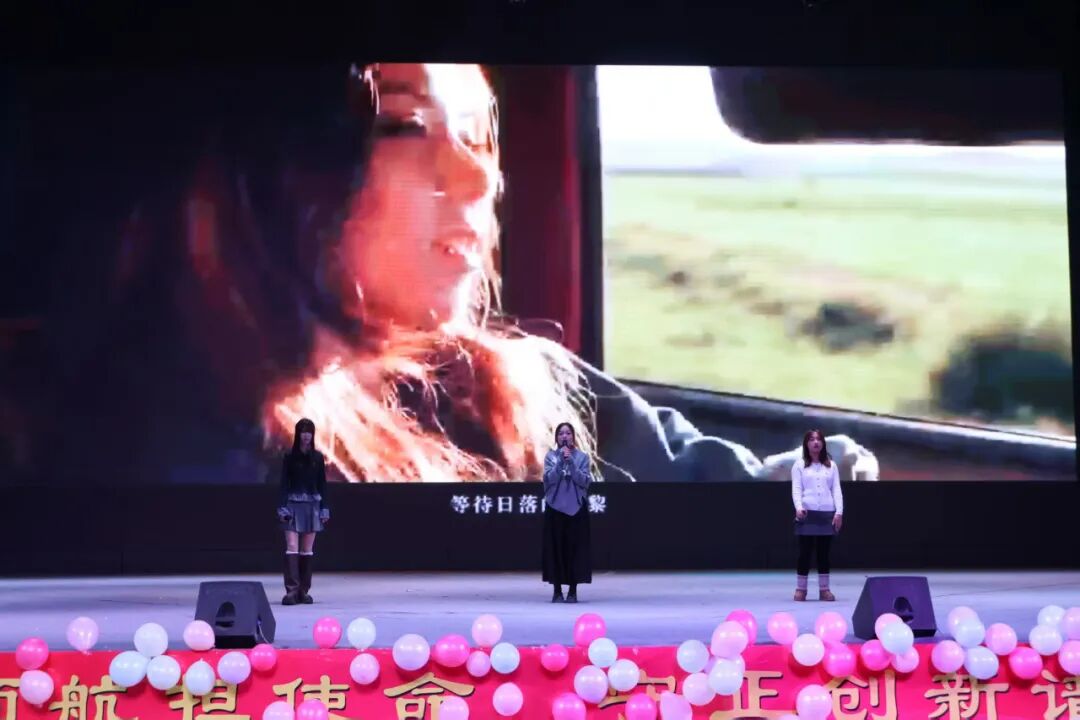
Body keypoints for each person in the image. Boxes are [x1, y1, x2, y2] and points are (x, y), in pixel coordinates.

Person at [3, 61, 879, 489]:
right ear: (277, 164)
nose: (477, 178)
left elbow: (719, 491)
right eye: (405, 127)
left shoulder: (513, 383)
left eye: (479, 136)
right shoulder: (161, 445)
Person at [278, 418, 329, 605]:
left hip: (312, 505)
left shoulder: (318, 458)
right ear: (297, 434)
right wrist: (282, 506)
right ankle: (291, 591)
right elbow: (284, 483)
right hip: (292, 504)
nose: (306, 435)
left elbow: (322, 484)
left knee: (307, 550)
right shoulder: (289, 456)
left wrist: (324, 508)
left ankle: (303, 591)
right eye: (303, 431)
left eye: (309, 432)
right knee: (292, 546)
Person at [542, 422, 593, 602]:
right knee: (556, 550)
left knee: (574, 551)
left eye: (568, 433)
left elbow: (584, 481)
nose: (564, 436)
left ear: (573, 437)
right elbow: (548, 479)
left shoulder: (582, 458)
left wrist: (571, 462)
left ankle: (573, 591)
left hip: (576, 509)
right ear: (556, 438)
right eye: (561, 433)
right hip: (555, 508)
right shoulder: (550, 457)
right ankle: (557, 591)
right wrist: (559, 464)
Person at [791, 429, 843, 601]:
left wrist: (839, 512)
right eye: (812, 439)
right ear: (806, 444)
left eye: (819, 439)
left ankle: (824, 589)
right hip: (807, 513)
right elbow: (797, 489)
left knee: (824, 554)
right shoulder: (799, 465)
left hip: (826, 514)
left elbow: (836, 489)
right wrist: (799, 507)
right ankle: (801, 589)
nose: (815, 442)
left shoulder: (831, 466)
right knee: (804, 553)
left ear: (823, 443)